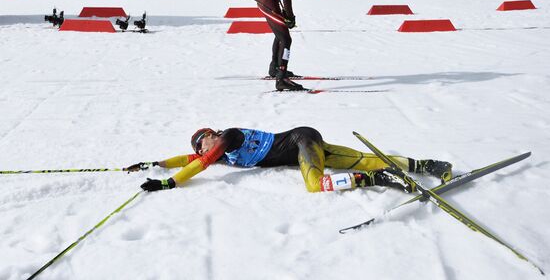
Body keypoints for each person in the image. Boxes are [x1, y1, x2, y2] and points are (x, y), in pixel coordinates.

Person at [126, 127, 453, 193]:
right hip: (307, 143)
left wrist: (170, 183)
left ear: (211, 135)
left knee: (316, 185)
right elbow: (188, 159)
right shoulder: (227, 154)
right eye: (199, 147)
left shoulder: (228, 137)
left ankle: (382, 179)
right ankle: (429, 166)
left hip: (302, 141)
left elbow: (202, 162)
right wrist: (155, 163)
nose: (202, 149)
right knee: (364, 159)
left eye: (202, 142)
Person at [256, 0, 334, 91]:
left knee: (281, 34)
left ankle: (275, 68)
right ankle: (281, 79)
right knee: (286, 39)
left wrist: (288, 16)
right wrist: (290, 17)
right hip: (267, 1)